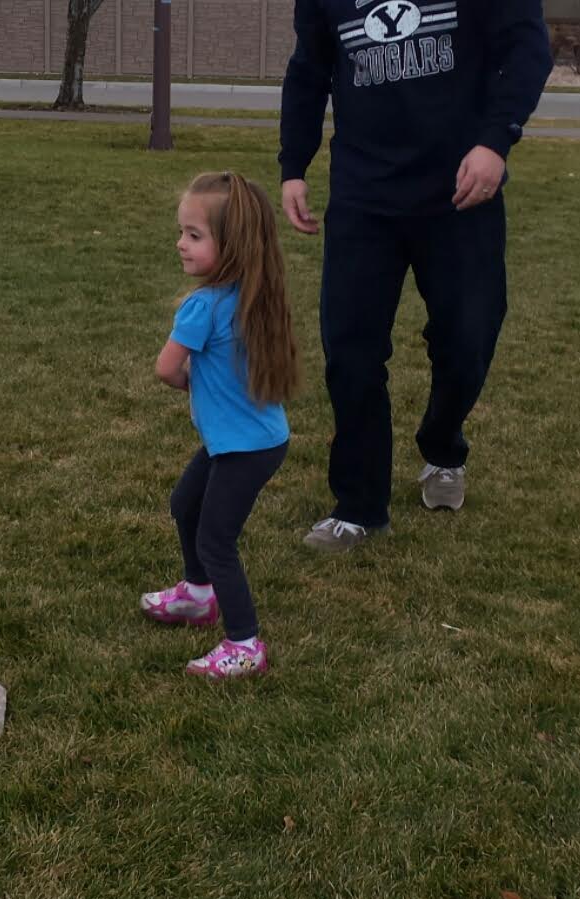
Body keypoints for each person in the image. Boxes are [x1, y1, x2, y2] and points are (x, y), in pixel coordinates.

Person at [279, 0, 553, 552]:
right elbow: (309, 68)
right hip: (364, 195)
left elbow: (528, 48)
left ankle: (442, 445)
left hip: (460, 192)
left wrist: (496, 141)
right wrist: (294, 166)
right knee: (351, 352)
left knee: (468, 340)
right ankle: (359, 507)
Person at [140, 172, 300, 680]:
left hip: (241, 447)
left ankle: (244, 644)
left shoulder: (202, 307)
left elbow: (166, 369)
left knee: (216, 540)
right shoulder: (254, 295)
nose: (180, 244)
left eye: (194, 235)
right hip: (255, 440)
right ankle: (196, 594)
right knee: (185, 503)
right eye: (181, 232)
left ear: (231, 245)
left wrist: (192, 382)